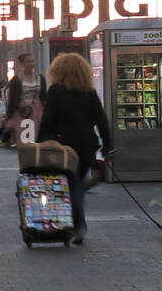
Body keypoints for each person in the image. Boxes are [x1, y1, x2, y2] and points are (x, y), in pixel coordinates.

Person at [37, 52, 111, 244]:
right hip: (87, 146)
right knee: (76, 183)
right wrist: (107, 146)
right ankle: (75, 224)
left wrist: (40, 142)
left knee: (70, 184)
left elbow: (48, 120)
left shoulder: (55, 91)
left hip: (64, 147)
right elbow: (102, 121)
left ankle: (77, 226)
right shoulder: (89, 92)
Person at [1, 52, 47, 146]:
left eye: (32, 61)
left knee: (39, 140)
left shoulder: (40, 78)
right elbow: (13, 101)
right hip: (22, 113)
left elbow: (43, 97)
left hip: (39, 112)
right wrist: (10, 116)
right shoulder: (16, 80)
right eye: (28, 61)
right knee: (25, 141)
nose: (31, 64)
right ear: (22, 63)